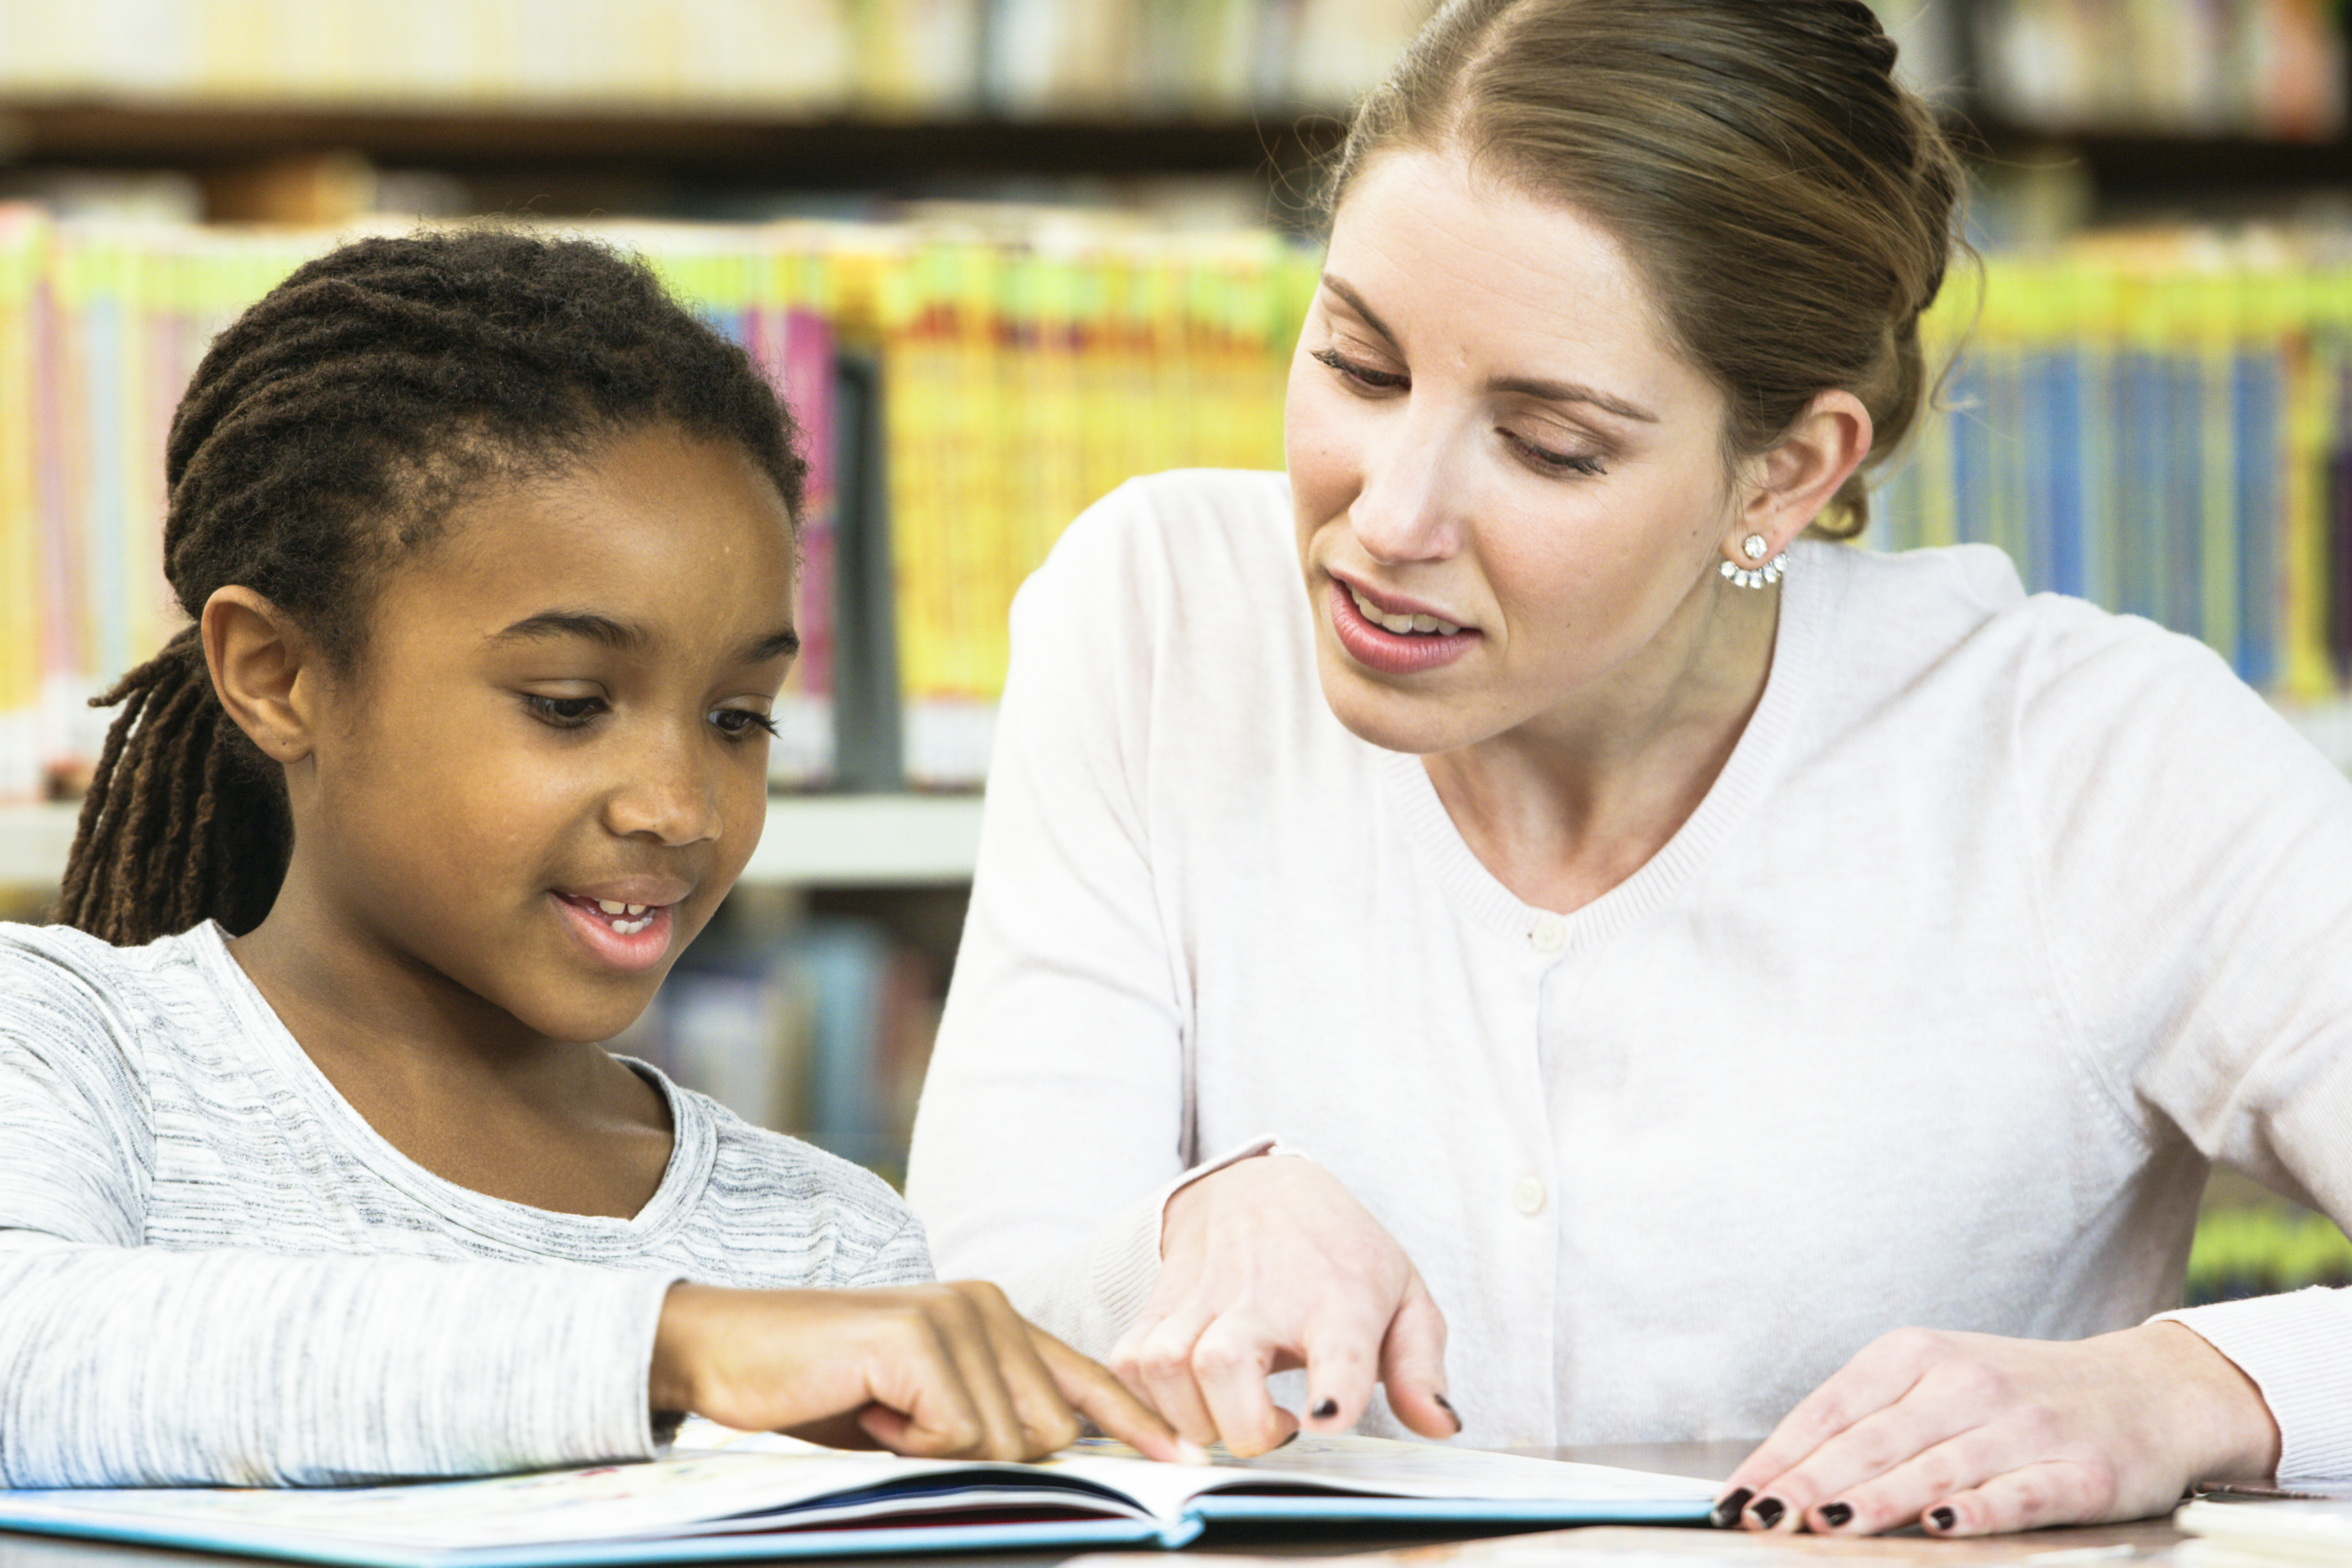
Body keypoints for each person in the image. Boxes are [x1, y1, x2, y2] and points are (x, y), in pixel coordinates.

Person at [903, 0, 2352, 1539]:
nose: (1389, 514)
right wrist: (1190, 1227)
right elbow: (972, 1290)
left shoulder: (2087, 764)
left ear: (1785, 476)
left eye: (1548, 445)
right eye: (1357, 364)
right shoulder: (1154, 611)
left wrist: (2191, 1387)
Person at [0, 230, 1184, 1488]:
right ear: (277, 675)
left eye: (739, 718)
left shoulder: (830, 1245)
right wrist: (668, 1347)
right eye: (568, 703)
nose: (681, 807)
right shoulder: (66, 1044)